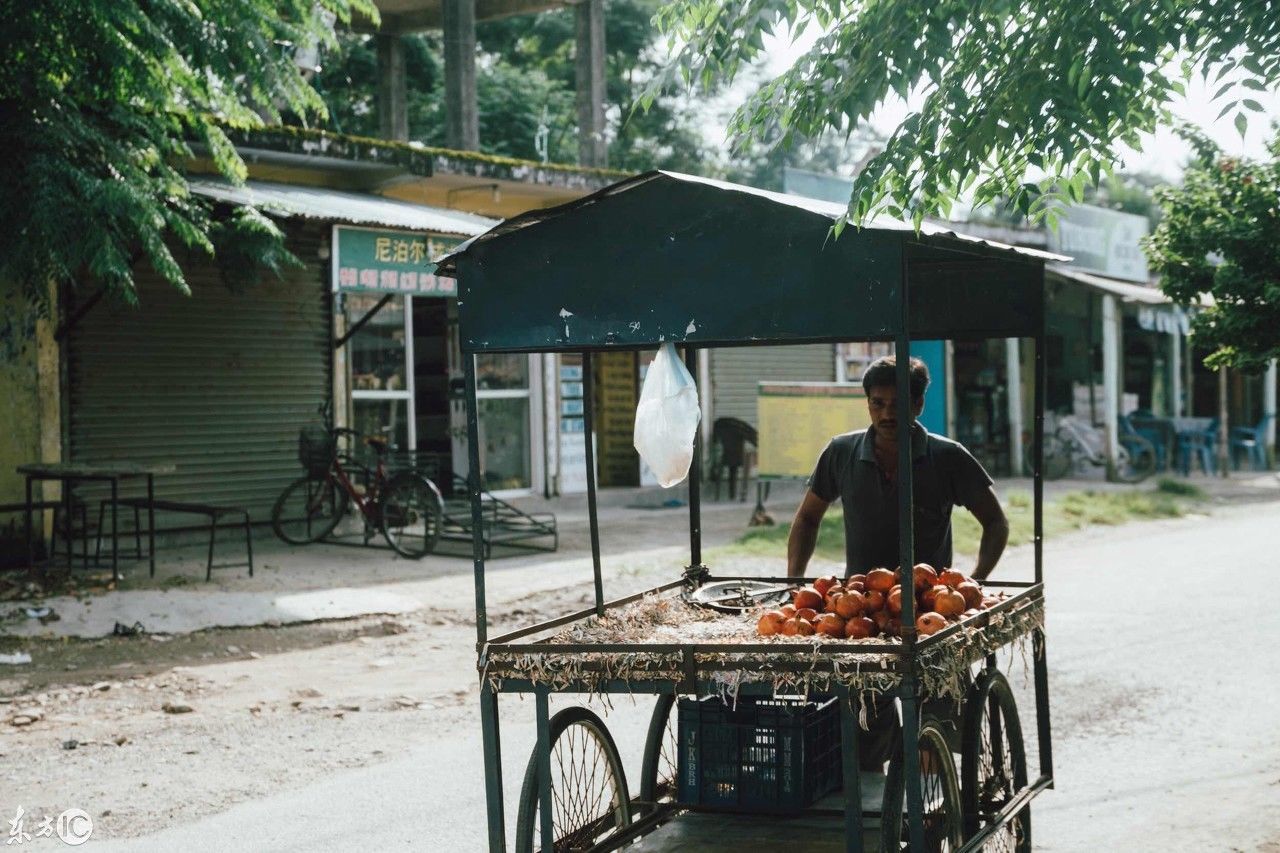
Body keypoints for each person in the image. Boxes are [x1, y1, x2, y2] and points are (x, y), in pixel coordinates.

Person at [785, 355, 1010, 769]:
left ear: (919, 404)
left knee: (933, 730)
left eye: (898, 404)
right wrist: (794, 582)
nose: (888, 413)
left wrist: (972, 584)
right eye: (878, 403)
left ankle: (932, 811)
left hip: (930, 614)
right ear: (868, 403)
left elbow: (995, 522)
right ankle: (875, 820)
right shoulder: (842, 452)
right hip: (862, 612)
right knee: (866, 728)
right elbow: (807, 517)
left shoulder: (948, 456)